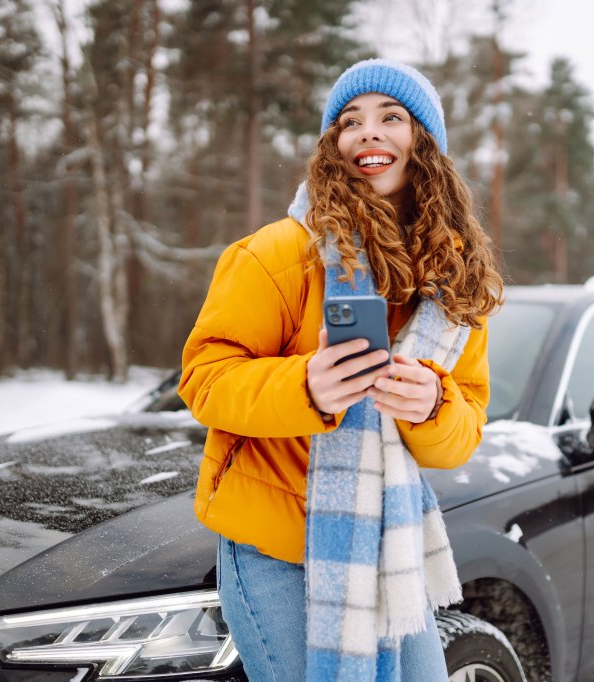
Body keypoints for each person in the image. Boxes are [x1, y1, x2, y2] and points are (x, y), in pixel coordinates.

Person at [178, 58, 504, 682]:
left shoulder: (454, 283)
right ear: (334, 147)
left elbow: (463, 432)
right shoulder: (277, 253)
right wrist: (306, 385)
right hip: (274, 545)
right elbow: (204, 378)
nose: (368, 132)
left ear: (424, 145)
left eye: (392, 117)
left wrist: (431, 407)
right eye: (350, 121)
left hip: (388, 548)